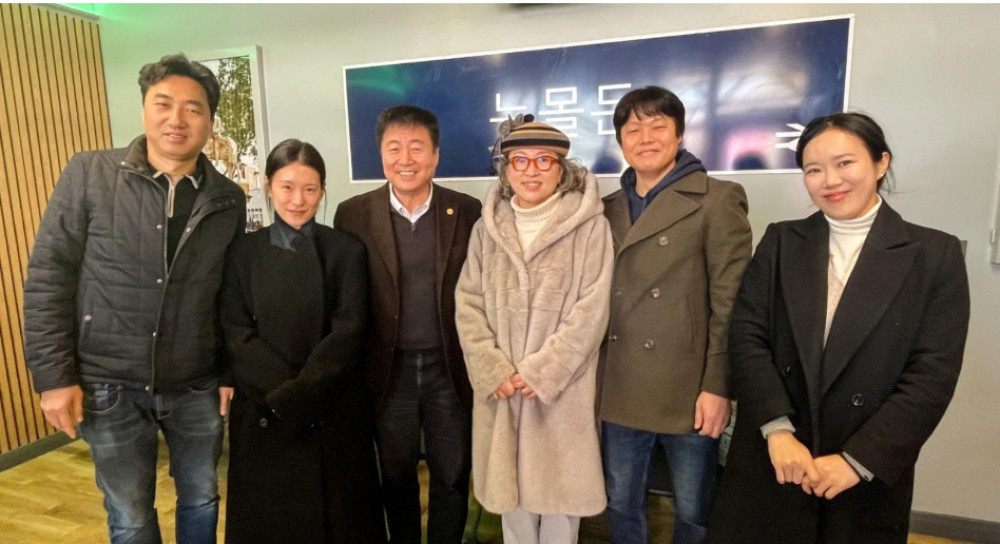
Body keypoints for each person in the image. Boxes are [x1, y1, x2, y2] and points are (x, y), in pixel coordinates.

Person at [705, 112, 970, 544]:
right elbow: (748, 336)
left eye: (845, 163)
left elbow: (932, 375)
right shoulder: (781, 241)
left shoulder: (934, 254)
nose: (830, 180)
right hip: (775, 454)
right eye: (813, 170)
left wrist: (858, 461)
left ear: (881, 163)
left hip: (863, 469)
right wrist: (776, 428)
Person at [22, 54, 246, 544]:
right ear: (144, 109)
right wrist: (54, 376)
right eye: (163, 104)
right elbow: (49, 276)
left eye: (193, 108)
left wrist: (229, 372)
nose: (177, 119)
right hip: (109, 384)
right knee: (129, 512)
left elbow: (230, 295)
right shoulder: (89, 174)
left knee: (202, 497)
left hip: (196, 384)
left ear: (209, 121)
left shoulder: (227, 197)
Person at [598, 86, 753, 544]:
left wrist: (718, 386)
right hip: (620, 383)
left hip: (689, 388)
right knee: (620, 501)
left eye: (658, 126)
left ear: (680, 134)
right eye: (633, 129)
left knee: (694, 506)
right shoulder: (606, 208)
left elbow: (731, 302)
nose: (645, 138)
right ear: (621, 141)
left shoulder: (717, 199)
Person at [456, 117, 614, 543]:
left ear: (562, 169)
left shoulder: (589, 226)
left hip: (561, 392)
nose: (531, 170)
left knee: (561, 506)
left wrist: (544, 370)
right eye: (520, 160)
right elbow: (467, 302)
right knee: (513, 508)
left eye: (544, 160)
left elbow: (593, 309)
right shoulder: (487, 228)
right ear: (506, 169)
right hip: (503, 388)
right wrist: (491, 367)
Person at [219, 139, 385, 543]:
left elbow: (349, 330)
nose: (298, 200)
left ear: (323, 191)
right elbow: (236, 331)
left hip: (331, 406)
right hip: (265, 405)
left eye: (310, 189)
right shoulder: (242, 252)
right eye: (287, 187)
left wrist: (305, 391)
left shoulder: (346, 250)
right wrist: (285, 394)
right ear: (268, 186)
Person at [334, 105, 482, 544]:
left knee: (452, 473)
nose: (405, 159)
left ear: (435, 155)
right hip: (388, 370)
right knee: (395, 475)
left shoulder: (467, 210)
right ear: (381, 154)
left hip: (448, 369)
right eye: (394, 148)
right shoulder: (353, 214)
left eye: (417, 148)